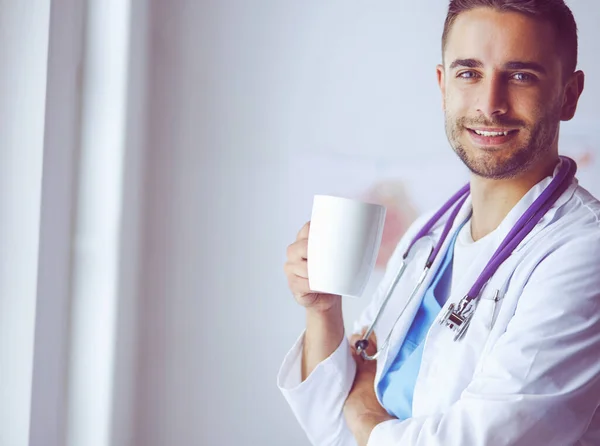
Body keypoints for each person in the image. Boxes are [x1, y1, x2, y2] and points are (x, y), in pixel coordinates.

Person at [278, 1, 600, 445]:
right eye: (469, 73)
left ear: (569, 94)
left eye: (521, 75)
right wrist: (323, 311)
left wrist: (367, 415)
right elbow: (332, 425)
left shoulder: (584, 252)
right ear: (443, 84)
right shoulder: (431, 231)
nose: (491, 105)